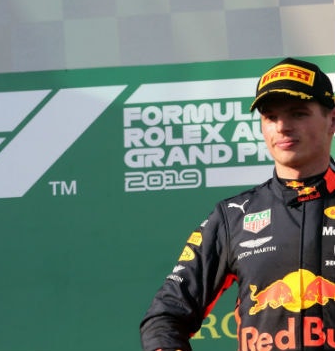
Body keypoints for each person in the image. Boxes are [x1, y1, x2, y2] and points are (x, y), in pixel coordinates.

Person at [140, 57, 335, 351]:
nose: (282, 127)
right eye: (270, 117)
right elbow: (165, 316)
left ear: (332, 120)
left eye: (298, 113)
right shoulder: (234, 217)